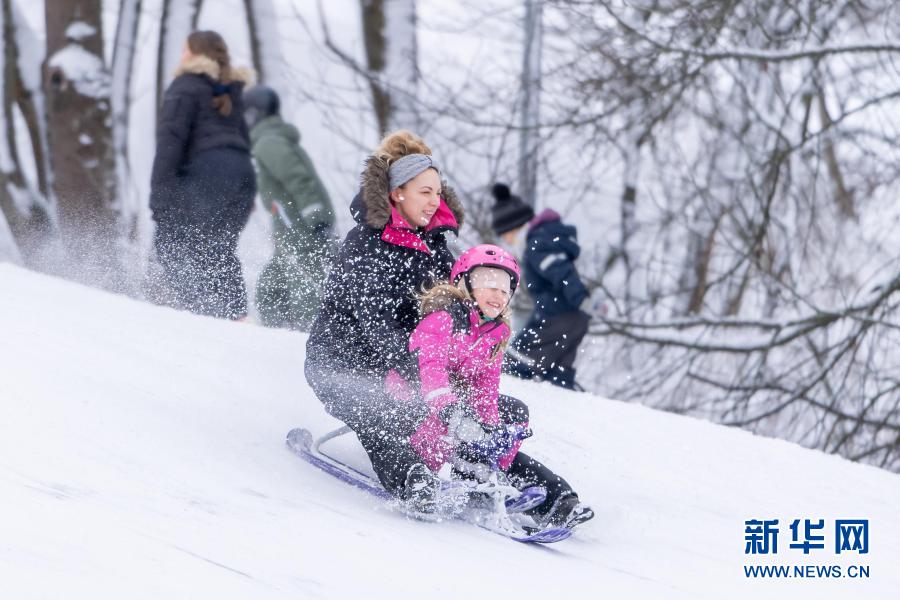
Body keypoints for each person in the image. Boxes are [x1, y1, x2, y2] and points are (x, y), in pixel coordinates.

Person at [304, 130, 464, 503]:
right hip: (342, 361)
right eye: (425, 192)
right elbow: (376, 322)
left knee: (455, 411)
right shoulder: (365, 245)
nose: (433, 201)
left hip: (402, 368)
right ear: (397, 193)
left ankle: (481, 471)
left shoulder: (436, 247)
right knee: (381, 413)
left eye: (438, 193)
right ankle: (411, 479)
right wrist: (421, 372)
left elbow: (457, 305)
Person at [396, 244, 593, 527]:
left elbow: (485, 392)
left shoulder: (494, 334)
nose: (498, 293)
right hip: (413, 404)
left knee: (511, 415)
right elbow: (431, 372)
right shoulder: (442, 320)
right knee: (457, 426)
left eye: (505, 288)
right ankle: (453, 477)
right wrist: (450, 411)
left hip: (455, 410)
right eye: (489, 282)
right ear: (464, 283)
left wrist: (489, 431)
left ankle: (558, 500)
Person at [149, 31, 256, 320]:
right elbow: (245, 140)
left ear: (196, 54)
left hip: (208, 173)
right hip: (242, 177)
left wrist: (159, 197)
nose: (182, 55)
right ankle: (234, 318)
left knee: (172, 242)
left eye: (185, 49)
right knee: (218, 248)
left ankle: (200, 321)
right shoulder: (230, 89)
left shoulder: (185, 85)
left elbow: (170, 142)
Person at [491, 183, 603, 390]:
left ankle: (504, 398)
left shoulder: (537, 244)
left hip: (560, 317)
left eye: (506, 235)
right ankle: (571, 409)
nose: (506, 240)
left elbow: (561, 272)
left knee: (518, 360)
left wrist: (582, 299)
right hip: (570, 317)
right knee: (558, 372)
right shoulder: (542, 240)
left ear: (516, 228)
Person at [243, 85, 336, 331]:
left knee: (307, 293)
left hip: (302, 230)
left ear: (255, 114)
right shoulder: (267, 141)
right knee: (269, 292)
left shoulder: (269, 143)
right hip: (289, 232)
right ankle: (278, 340)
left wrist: (315, 217)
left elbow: (298, 178)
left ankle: (318, 342)